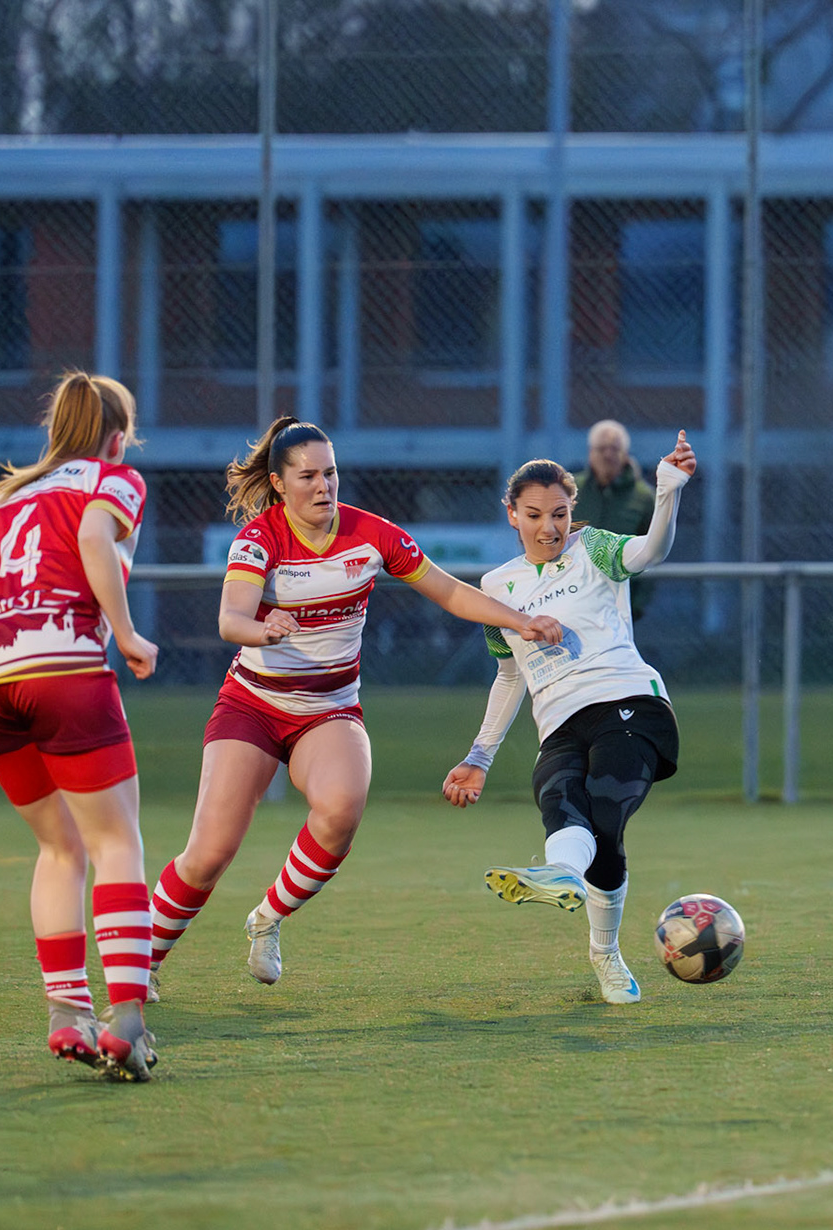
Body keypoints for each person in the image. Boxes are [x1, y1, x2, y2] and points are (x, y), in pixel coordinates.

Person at [144, 416, 563, 994]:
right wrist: (261, 631)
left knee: (341, 810)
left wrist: (522, 621)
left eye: (331, 473)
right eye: (308, 476)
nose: (324, 486)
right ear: (279, 482)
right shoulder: (260, 538)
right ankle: (143, 961)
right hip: (254, 705)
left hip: (329, 708)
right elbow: (229, 617)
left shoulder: (372, 534)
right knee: (209, 854)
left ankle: (267, 918)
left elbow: (448, 591)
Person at [0, 371, 162, 1082]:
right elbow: (95, 539)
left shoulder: (2, 498)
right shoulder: (114, 479)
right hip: (62, 670)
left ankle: (68, 1015)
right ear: (117, 438)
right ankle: (126, 1021)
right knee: (115, 842)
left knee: (60, 848)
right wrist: (127, 635)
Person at [440, 431, 698, 1004]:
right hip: (559, 724)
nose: (550, 527)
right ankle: (567, 885)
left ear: (572, 511)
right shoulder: (496, 588)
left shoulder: (596, 549)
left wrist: (668, 491)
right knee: (560, 801)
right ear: (512, 514)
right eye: (534, 515)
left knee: (605, 810)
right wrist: (478, 757)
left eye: (559, 513)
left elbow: (650, 551)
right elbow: (510, 677)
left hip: (628, 703)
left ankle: (597, 944)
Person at [571, 419, 657, 620]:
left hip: (622, 601)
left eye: (614, 449)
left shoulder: (644, 497)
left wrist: (637, 605)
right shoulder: (569, 490)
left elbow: (654, 551)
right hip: (574, 596)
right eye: (601, 449)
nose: (607, 455)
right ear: (591, 453)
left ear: (625, 454)